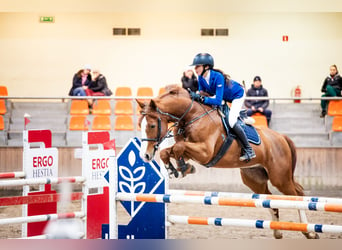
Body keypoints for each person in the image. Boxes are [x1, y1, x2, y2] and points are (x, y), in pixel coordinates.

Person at [189, 53, 256, 161]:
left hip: (237, 95)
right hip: (223, 97)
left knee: (232, 121)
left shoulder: (218, 77)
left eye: (198, 66)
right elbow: (201, 93)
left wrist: (201, 98)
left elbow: (218, 101)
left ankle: (249, 150)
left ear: (206, 67)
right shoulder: (200, 77)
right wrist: (195, 95)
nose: (195, 69)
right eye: (195, 66)